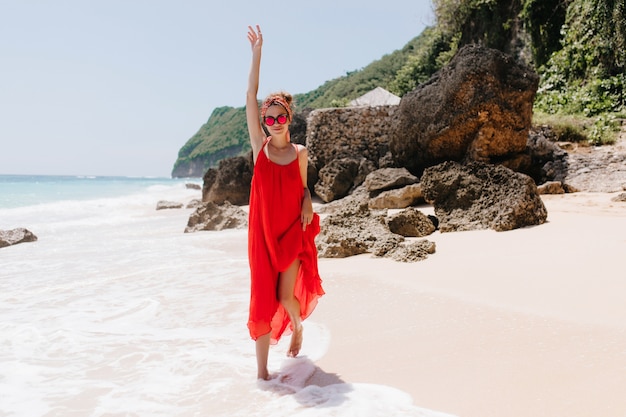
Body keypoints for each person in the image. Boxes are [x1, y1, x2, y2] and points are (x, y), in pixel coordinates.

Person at [245, 24, 325, 381]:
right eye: (269, 118)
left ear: (289, 119)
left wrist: (307, 199)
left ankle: (298, 326)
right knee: (263, 302)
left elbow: (303, 187)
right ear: (264, 122)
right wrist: (257, 53)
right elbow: (250, 95)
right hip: (262, 238)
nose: (275, 123)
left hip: (292, 231)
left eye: (280, 117)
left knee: (286, 297)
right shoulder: (259, 149)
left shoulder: (301, 152)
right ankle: (262, 374)